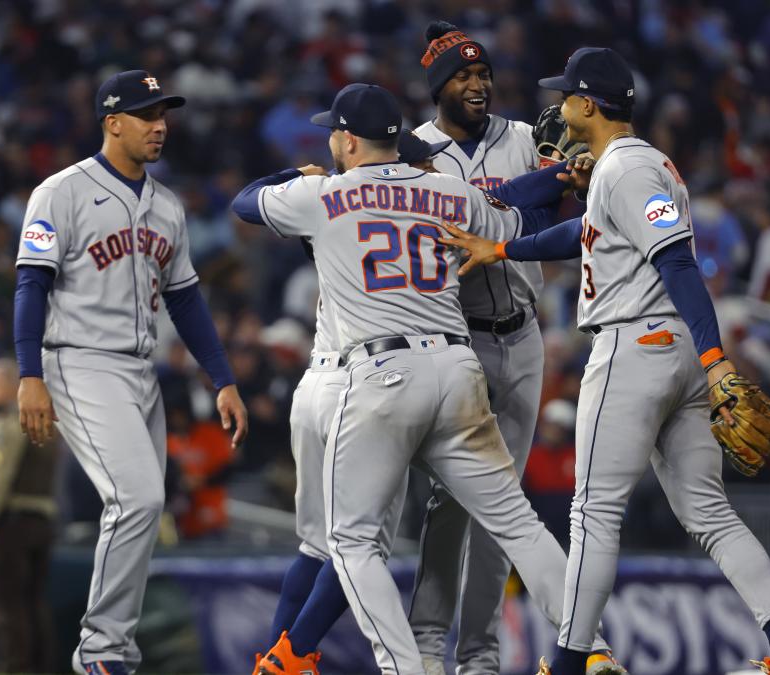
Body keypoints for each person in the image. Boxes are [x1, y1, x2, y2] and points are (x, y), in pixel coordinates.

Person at [437, 47, 770, 675]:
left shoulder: (624, 170)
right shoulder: (641, 165)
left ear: (588, 104)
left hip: (635, 347)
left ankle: (570, 665)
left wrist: (718, 361)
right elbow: (584, 235)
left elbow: (677, 262)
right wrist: (504, 247)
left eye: (567, 95)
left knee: (593, 513)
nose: (559, 106)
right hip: (672, 350)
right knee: (707, 511)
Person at [232, 81, 581, 675]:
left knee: (349, 545)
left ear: (344, 138)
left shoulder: (322, 194)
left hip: (375, 376)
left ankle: (402, 666)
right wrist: (558, 176)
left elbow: (245, 202)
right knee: (517, 523)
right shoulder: (451, 191)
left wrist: (293, 174)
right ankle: (589, 647)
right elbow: (518, 213)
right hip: (457, 367)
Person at [408, 23, 626, 675]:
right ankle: (425, 640)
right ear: (436, 87)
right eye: (462, 75)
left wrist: (579, 171)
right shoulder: (412, 152)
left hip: (522, 335)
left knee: (505, 497)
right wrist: (551, 179)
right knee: (453, 501)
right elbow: (497, 206)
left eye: (483, 73)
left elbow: (569, 202)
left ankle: (480, 653)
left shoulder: (525, 139)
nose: (477, 84)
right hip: (455, 336)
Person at [13, 69, 248, 675]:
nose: (160, 125)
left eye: (164, 113)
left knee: (148, 506)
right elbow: (30, 283)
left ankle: (116, 651)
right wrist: (27, 370)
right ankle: (101, 653)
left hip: (140, 371)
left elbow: (187, 301)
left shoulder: (168, 206)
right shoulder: (60, 193)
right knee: (137, 498)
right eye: (147, 114)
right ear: (112, 122)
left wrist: (221, 378)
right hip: (79, 360)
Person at [0, 358, 58, 674]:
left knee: (8, 606)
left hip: (11, 523)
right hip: (42, 518)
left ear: (9, 384)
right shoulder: (47, 422)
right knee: (34, 601)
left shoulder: (8, 422)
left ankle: (15, 668)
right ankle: (41, 667)